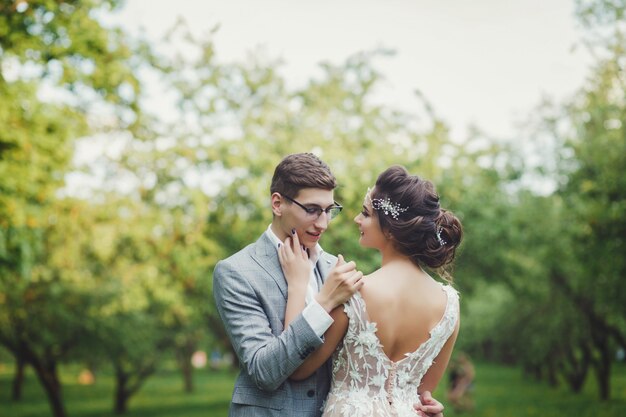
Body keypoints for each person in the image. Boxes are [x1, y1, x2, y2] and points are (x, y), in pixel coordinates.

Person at [213, 154, 445, 417]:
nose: (323, 223)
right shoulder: (236, 272)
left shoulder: (338, 269)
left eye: (329, 210)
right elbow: (264, 371)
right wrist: (321, 301)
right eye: (311, 210)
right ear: (278, 203)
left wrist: (413, 404)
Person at [278, 165, 463, 417]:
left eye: (366, 213)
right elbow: (425, 394)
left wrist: (298, 284)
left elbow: (295, 366)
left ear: (390, 228)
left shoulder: (355, 292)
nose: (357, 219)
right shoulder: (449, 303)